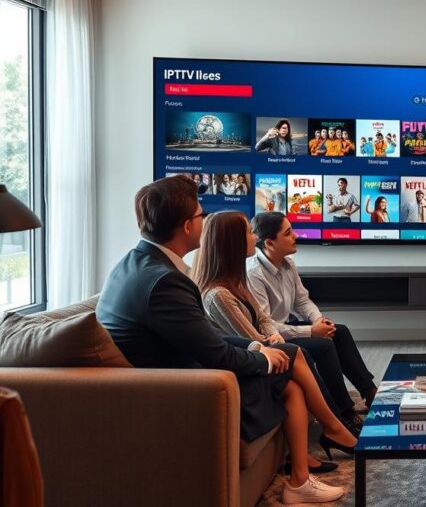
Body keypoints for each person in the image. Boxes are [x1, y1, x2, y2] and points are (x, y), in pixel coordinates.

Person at [95, 176, 352, 504]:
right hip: (186, 389)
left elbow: (203, 334)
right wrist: (262, 357)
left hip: (179, 375)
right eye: (202, 215)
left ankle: (305, 471)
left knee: (289, 363)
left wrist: (256, 346)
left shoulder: (134, 264)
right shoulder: (164, 282)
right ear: (187, 226)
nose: (205, 221)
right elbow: (214, 353)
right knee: (289, 365)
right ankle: (324, 444)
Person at [195, 211, 366, 435]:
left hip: (271, 337)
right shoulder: (231, 286)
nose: (253, 237)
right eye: (248, 233)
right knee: (320, 346)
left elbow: (273, 314)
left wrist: (316, 321)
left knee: (337, 331)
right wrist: (299, 333)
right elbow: (252, 337)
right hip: (257, 351)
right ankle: (339, 418)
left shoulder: (243, 278)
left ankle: (365, 394)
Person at [249, 211, 378, 410]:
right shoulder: (254, 274)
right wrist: (311, 331)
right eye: (288, 233)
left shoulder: (287, 263)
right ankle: (343, 410)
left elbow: (302, 301)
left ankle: (369, 392)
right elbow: (266, 325)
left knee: (338, 331)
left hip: (286, 327)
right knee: (324, 344)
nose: (296, 236)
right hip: (271, 338)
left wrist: (318, 321)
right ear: (269, 243)